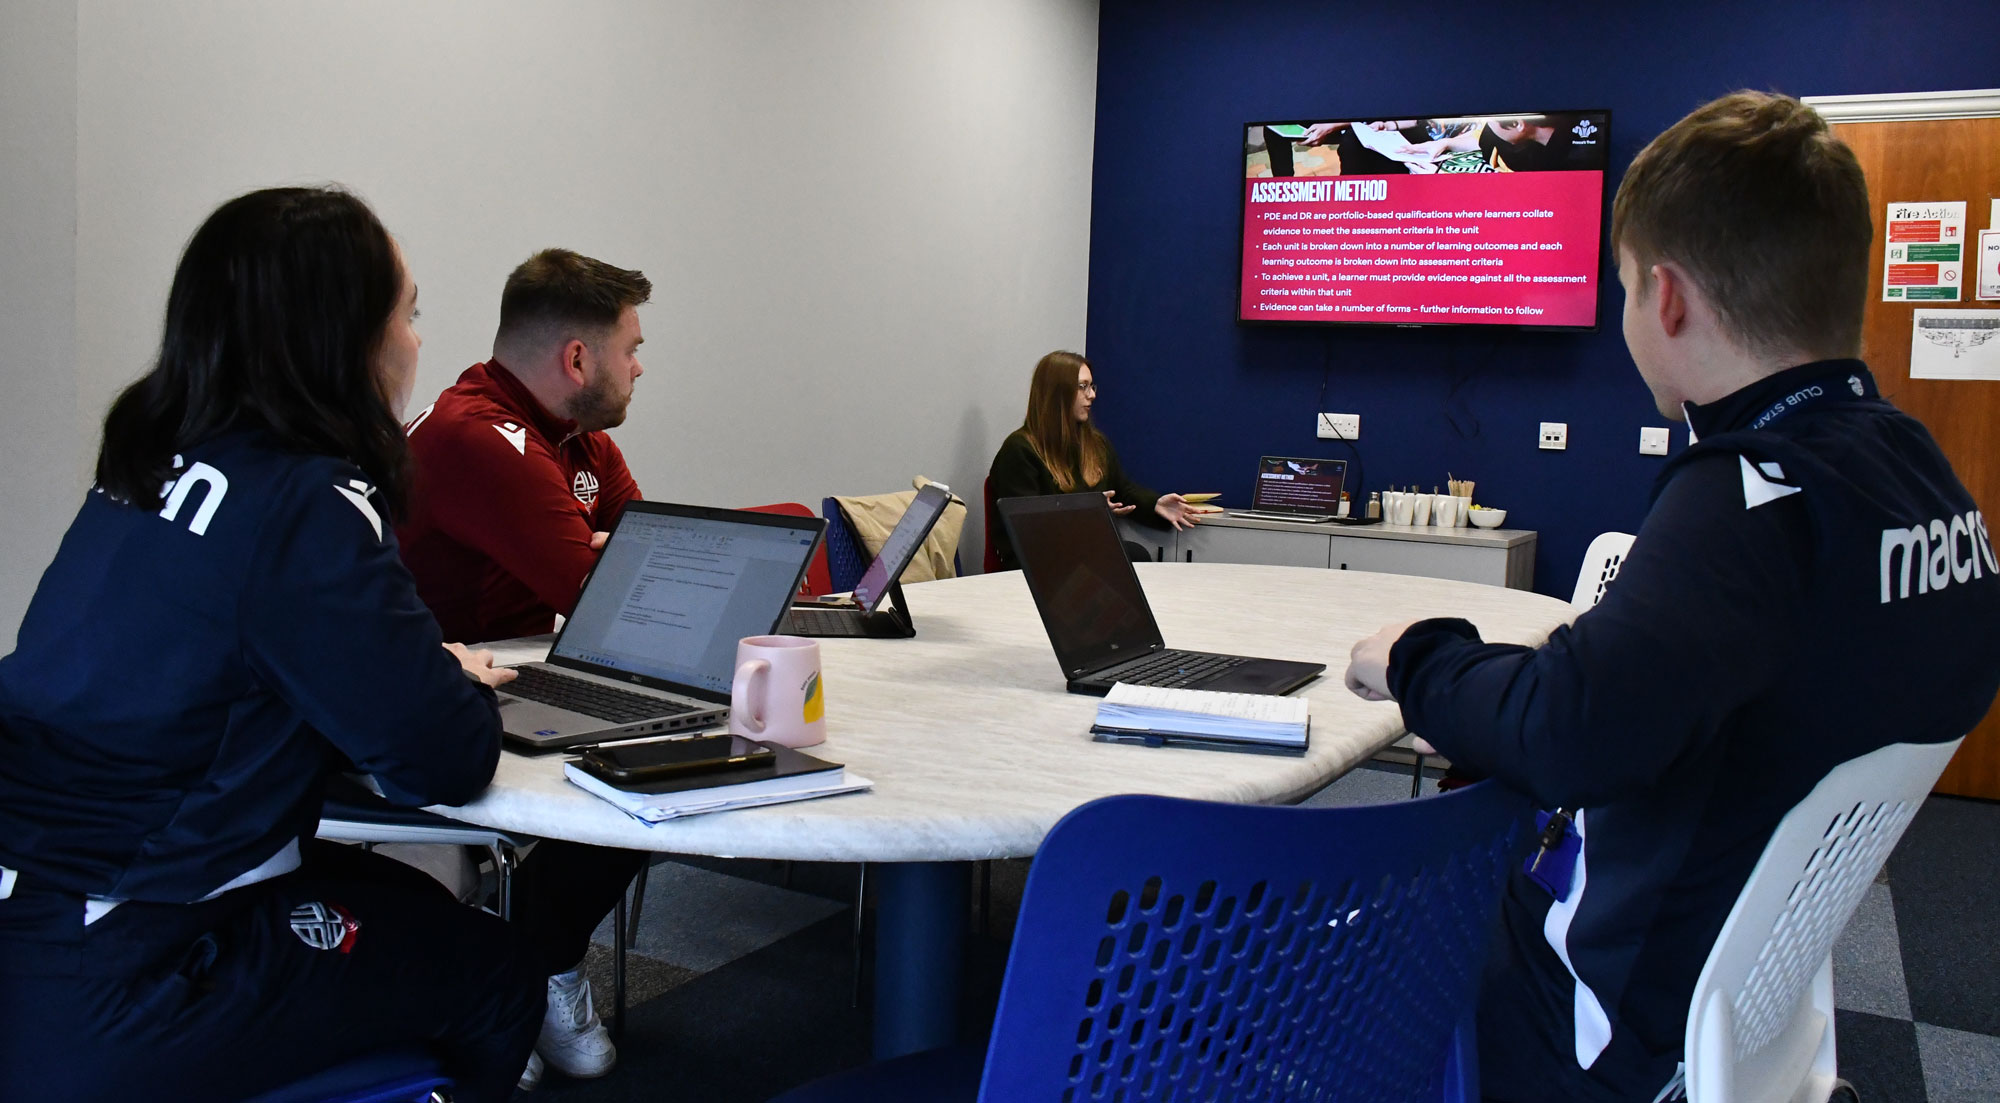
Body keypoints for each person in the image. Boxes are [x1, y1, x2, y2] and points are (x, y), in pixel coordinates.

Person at [1343, 92, 2000, 1102]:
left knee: (1335, 934)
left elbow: (1570, 730)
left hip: (1601, 1024)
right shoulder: (1909, 470)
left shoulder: (1749, 492)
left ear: (1668, 297)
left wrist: (1412, 656)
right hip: (1743, 988)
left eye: (1618, 287)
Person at [0, 187, 543, 1102]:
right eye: (408, 315)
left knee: (412, 906)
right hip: (130, 971)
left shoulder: (151, 466)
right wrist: (443, 680)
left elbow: (202, 670)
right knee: (494, 966)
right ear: (345, 341)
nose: (416, 341)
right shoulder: (303, 505)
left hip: (42, 912)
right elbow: (444, 757)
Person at [397, 248, 654, 1086]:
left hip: (521, 684)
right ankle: (521, 964)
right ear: (578, 358)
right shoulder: (478, 433)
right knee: (650, 755)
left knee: (670, 730)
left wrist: (610, 556)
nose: (639, 367)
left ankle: (532, 956)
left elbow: (655, 556)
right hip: (436, 705)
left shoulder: (574, 440)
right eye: (632, 348)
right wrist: (604, 559)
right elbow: (606, 587)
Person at [987, 350, 1199, 570]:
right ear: (1058, 392)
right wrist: (1088, 515)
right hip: (1039, 563)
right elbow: (1027, 527)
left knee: (1135, 555)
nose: (1092, 395)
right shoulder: (1020, 450)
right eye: (1083, 387)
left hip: (1081, 553)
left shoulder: (1095, 443)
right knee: (1131, 555)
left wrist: (1154, 503)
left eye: (1092, 386)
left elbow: (1122, 490)